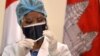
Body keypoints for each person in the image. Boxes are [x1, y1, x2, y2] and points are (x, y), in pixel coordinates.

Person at [2, 0, 72, 56]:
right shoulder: (10, 51)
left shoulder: (61, 49)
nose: (35, 24)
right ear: (21, 24)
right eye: (29, 22)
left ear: (45, 20)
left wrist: (55, 53)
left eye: (40, 20)